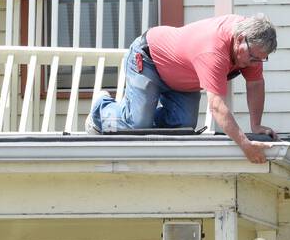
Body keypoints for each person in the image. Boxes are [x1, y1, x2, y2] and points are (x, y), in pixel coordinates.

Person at [86, 13, 278, 163]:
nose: (255, 64)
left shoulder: (253, 46)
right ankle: (100, 109)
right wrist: (245, 145)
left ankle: (143, 115)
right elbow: (217, 106)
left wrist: (256, 125)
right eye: (253, 58)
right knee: (137, 124)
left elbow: (255, 84)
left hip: (182, 77)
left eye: (261, 59)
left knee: (182, 126)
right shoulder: (213, 49)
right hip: (149, 59)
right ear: (239, 40)